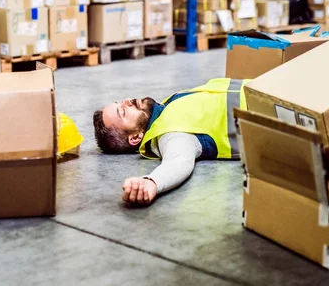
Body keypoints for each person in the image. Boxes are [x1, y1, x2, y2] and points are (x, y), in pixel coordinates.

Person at [92, 78, 250, 206]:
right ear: (135, 137)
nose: (127, 100)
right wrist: (152, 182)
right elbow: (179, 161)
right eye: (123, 112)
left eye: (120, 102)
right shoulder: (170, 133)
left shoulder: (167, 106)